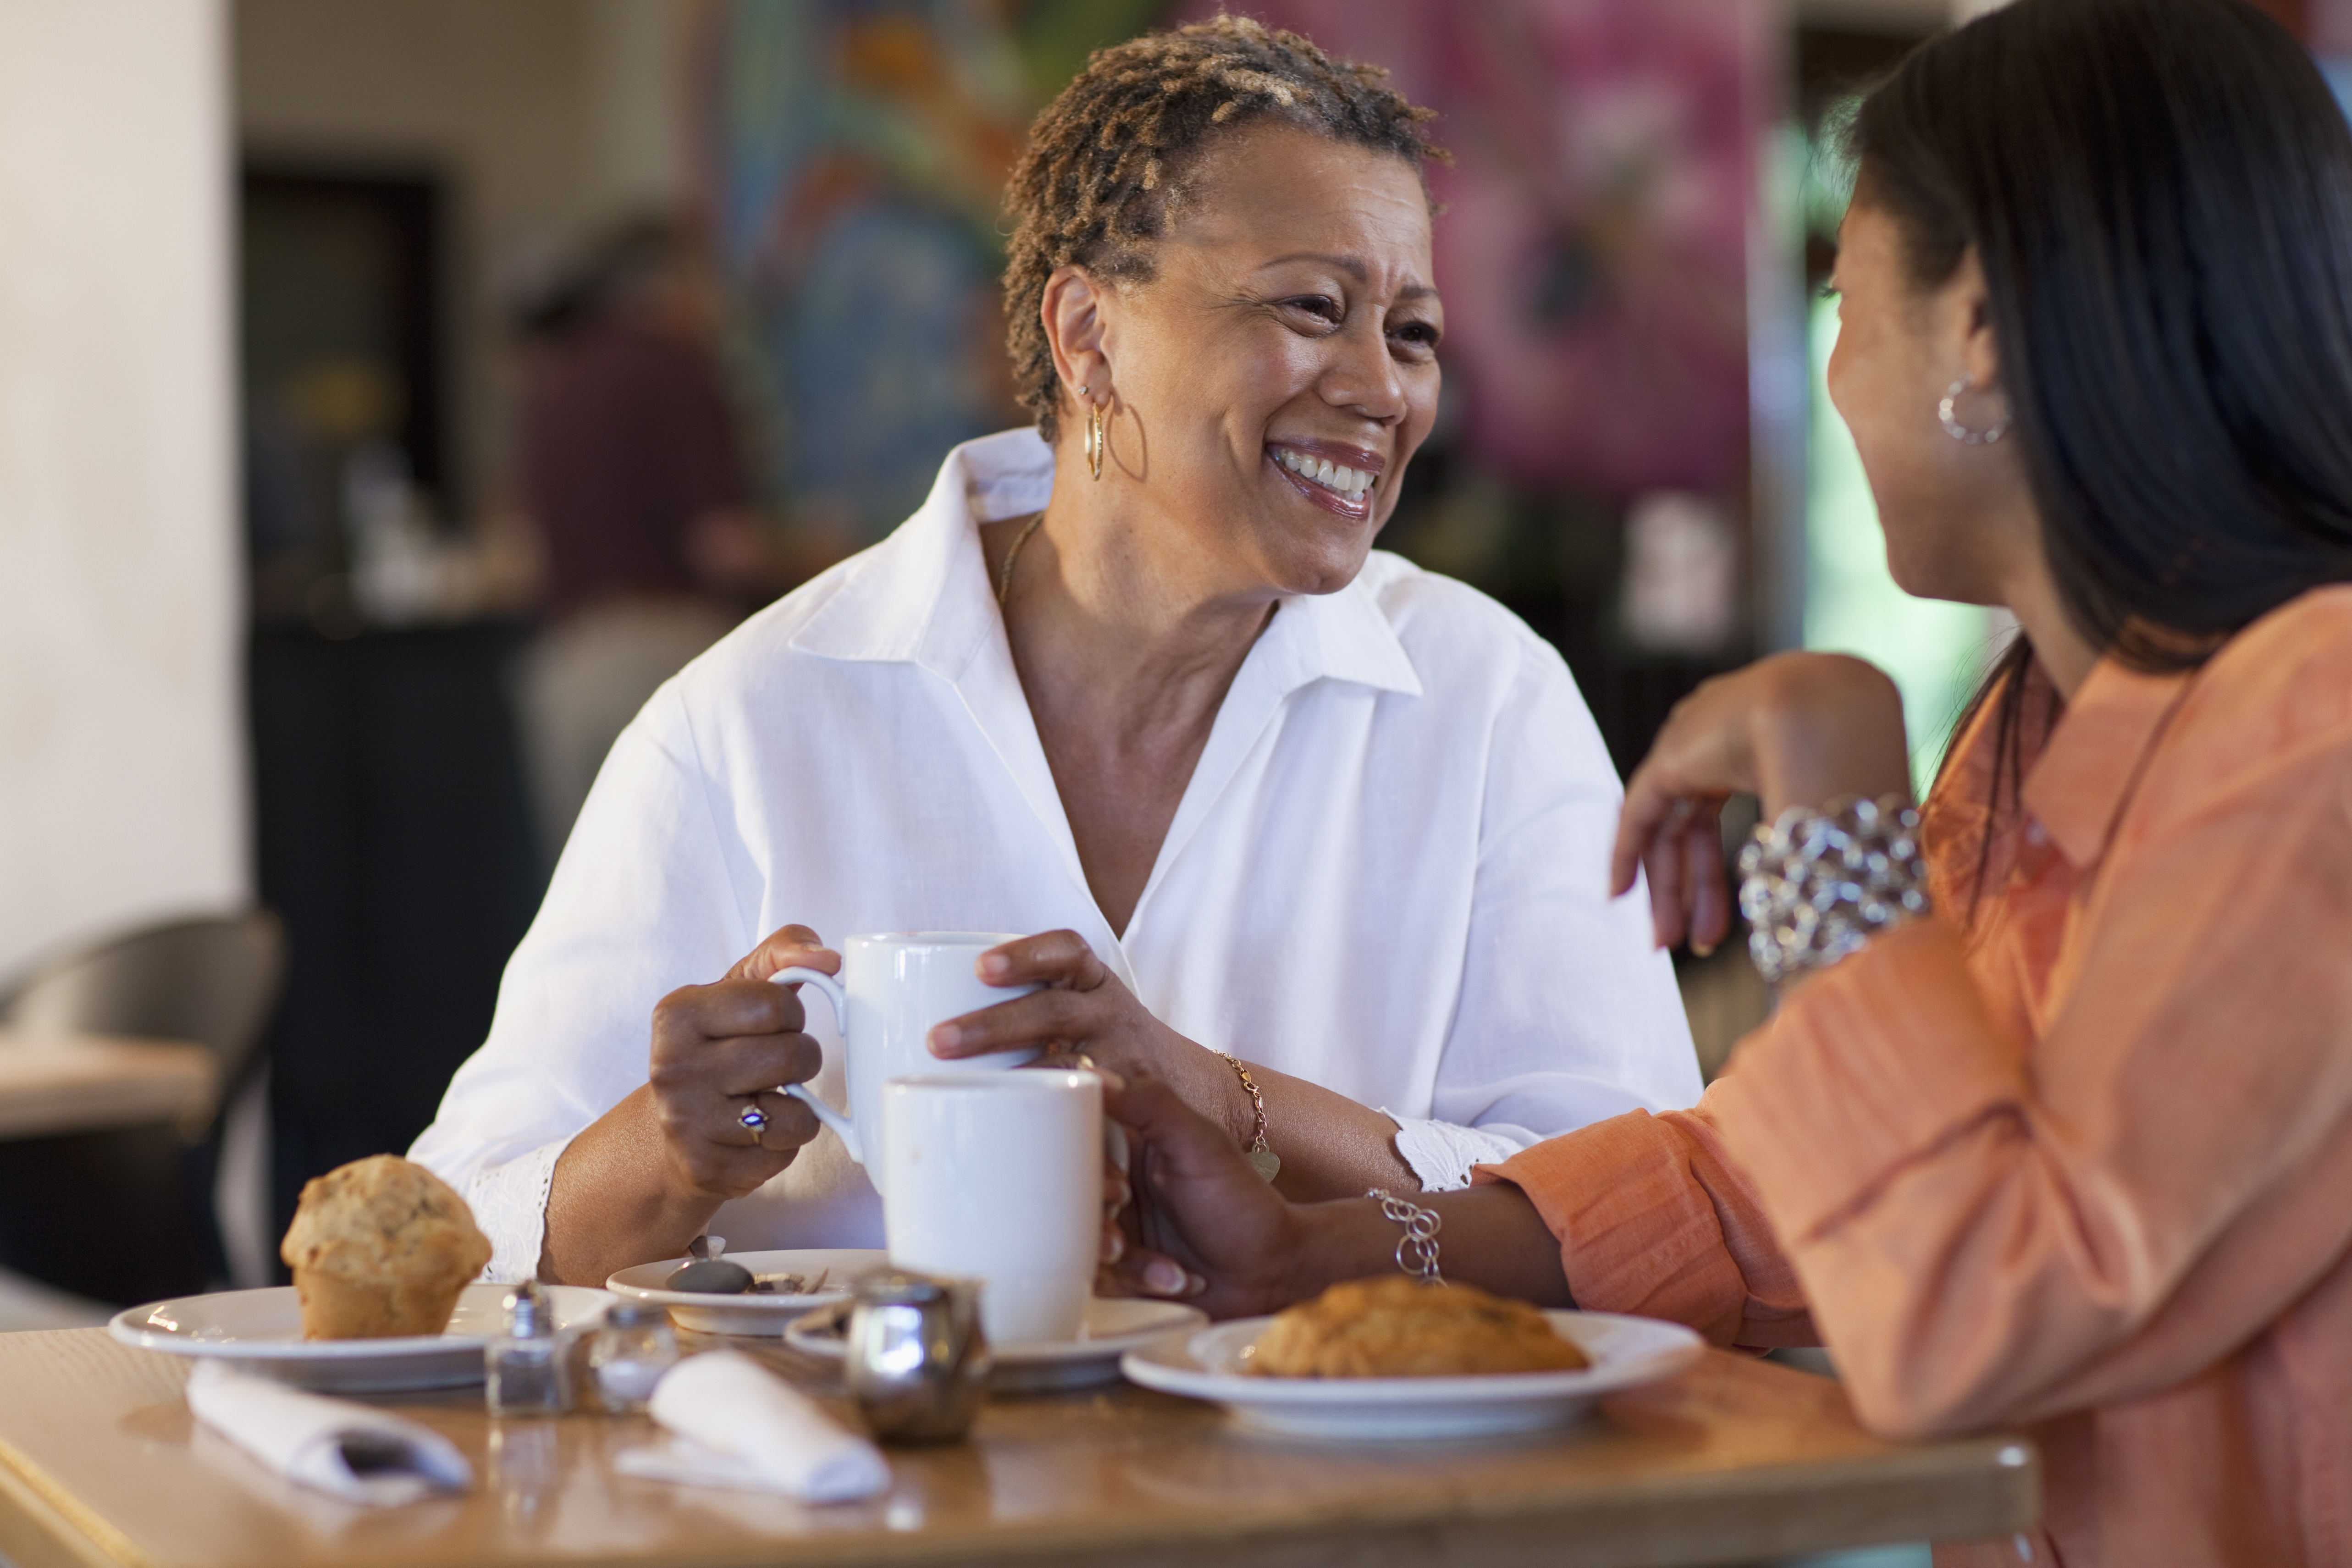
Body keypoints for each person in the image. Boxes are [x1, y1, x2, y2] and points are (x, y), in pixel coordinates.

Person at [1097, 3, 2352, 1563]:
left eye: (1843, 297)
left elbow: (1957, 1317)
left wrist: (1836, 815)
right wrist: (1320, 1253)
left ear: (1973, 333)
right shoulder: (2051, 736)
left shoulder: (2317, 737)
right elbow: (1762, 1187)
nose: (1833, 370)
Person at [412, 18, 1700, 1289]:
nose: (1381, 387)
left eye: (1412, 332)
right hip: (888, 1486)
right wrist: (667, 1154)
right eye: (1313, 308)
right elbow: (460, 1228)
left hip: (1346, 1492)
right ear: (1088, 338)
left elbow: (1645, 1205)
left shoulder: (1486, 702)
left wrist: (1211, 1093)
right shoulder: (754, 719)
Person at [509, 218, 786, 865]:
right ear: (668, 289)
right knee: (697, 891)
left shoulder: (557, 382)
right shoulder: (676, 374)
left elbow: (519, 543)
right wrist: (834, 556)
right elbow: (725, 545)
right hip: (659, 656)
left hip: (564, 665)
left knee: (596, 900)